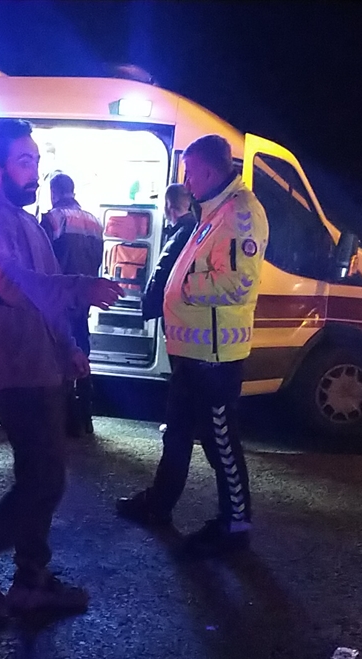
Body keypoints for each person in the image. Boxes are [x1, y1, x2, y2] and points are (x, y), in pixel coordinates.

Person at [0, 119, 124, 618]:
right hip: (14, 366)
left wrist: (68, 347)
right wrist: (82, 286)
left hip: (42, 364)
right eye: (24, 162)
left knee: (38, 475)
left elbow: (47, 298)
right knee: (45, 478)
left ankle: (29, 580)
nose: (34, 171)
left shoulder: (31, 225)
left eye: (36, 161)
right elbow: (15, 285)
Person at [115, 134, 269, 558]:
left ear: (208, 171)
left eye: (190, 172)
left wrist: (181, 287)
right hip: (194, 351)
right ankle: (160, 504)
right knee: (177, 433)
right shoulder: (216, 209)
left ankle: (235, 526)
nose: (186, 181)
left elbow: (237, 283)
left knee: (221, 442)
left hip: (214, 357)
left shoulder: (239, 214)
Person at [39, 173, 104, 437]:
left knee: (58, 355)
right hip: (83, 297)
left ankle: (65, 419)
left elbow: (41, 260)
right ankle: (85, 416)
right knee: (82, 351)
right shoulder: (94, 221)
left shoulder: (52, 219)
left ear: (54, 193)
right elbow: (97, 260)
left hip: (59, 296)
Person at [141, 183, 197, 322]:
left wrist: (149, 305)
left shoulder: (180, 235)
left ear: (168, 205)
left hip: (174, 309)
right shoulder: (190, 229)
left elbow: (163, 272)